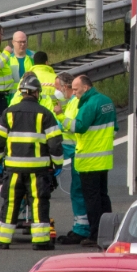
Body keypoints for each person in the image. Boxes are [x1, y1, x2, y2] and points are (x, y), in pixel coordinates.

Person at [0, 73, 64, 251]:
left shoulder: (8, 113)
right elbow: (55, 143)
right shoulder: (45, 114)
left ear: (22, 93)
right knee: (38, 202)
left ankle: (3, 240)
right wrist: (57, 164)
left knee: (10, 203)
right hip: (38, 170)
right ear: (37, 93)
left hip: (13, 169)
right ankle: (40, 241)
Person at [72, 74, 117, 246]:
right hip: (104, 159)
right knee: (103, 196)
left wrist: (61, 119)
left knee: (92, 199)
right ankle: (110, 231)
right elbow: (115, 128)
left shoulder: (89, 104)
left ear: (86, 87)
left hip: (89, 160)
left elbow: (79, 126)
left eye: (76, 90)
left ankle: (96, 234)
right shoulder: (106, 101)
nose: (75, 93)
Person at [54, 72, 91, 245]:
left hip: (78, 151)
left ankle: (82, 229)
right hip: (74, 151)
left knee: (78, 191)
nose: (57, 91)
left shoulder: (75, 102)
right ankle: (80, 226)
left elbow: (73, 126)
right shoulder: (71, 102)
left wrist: (59, 117)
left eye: (57, 88)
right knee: (78, 191)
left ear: (65, 87)